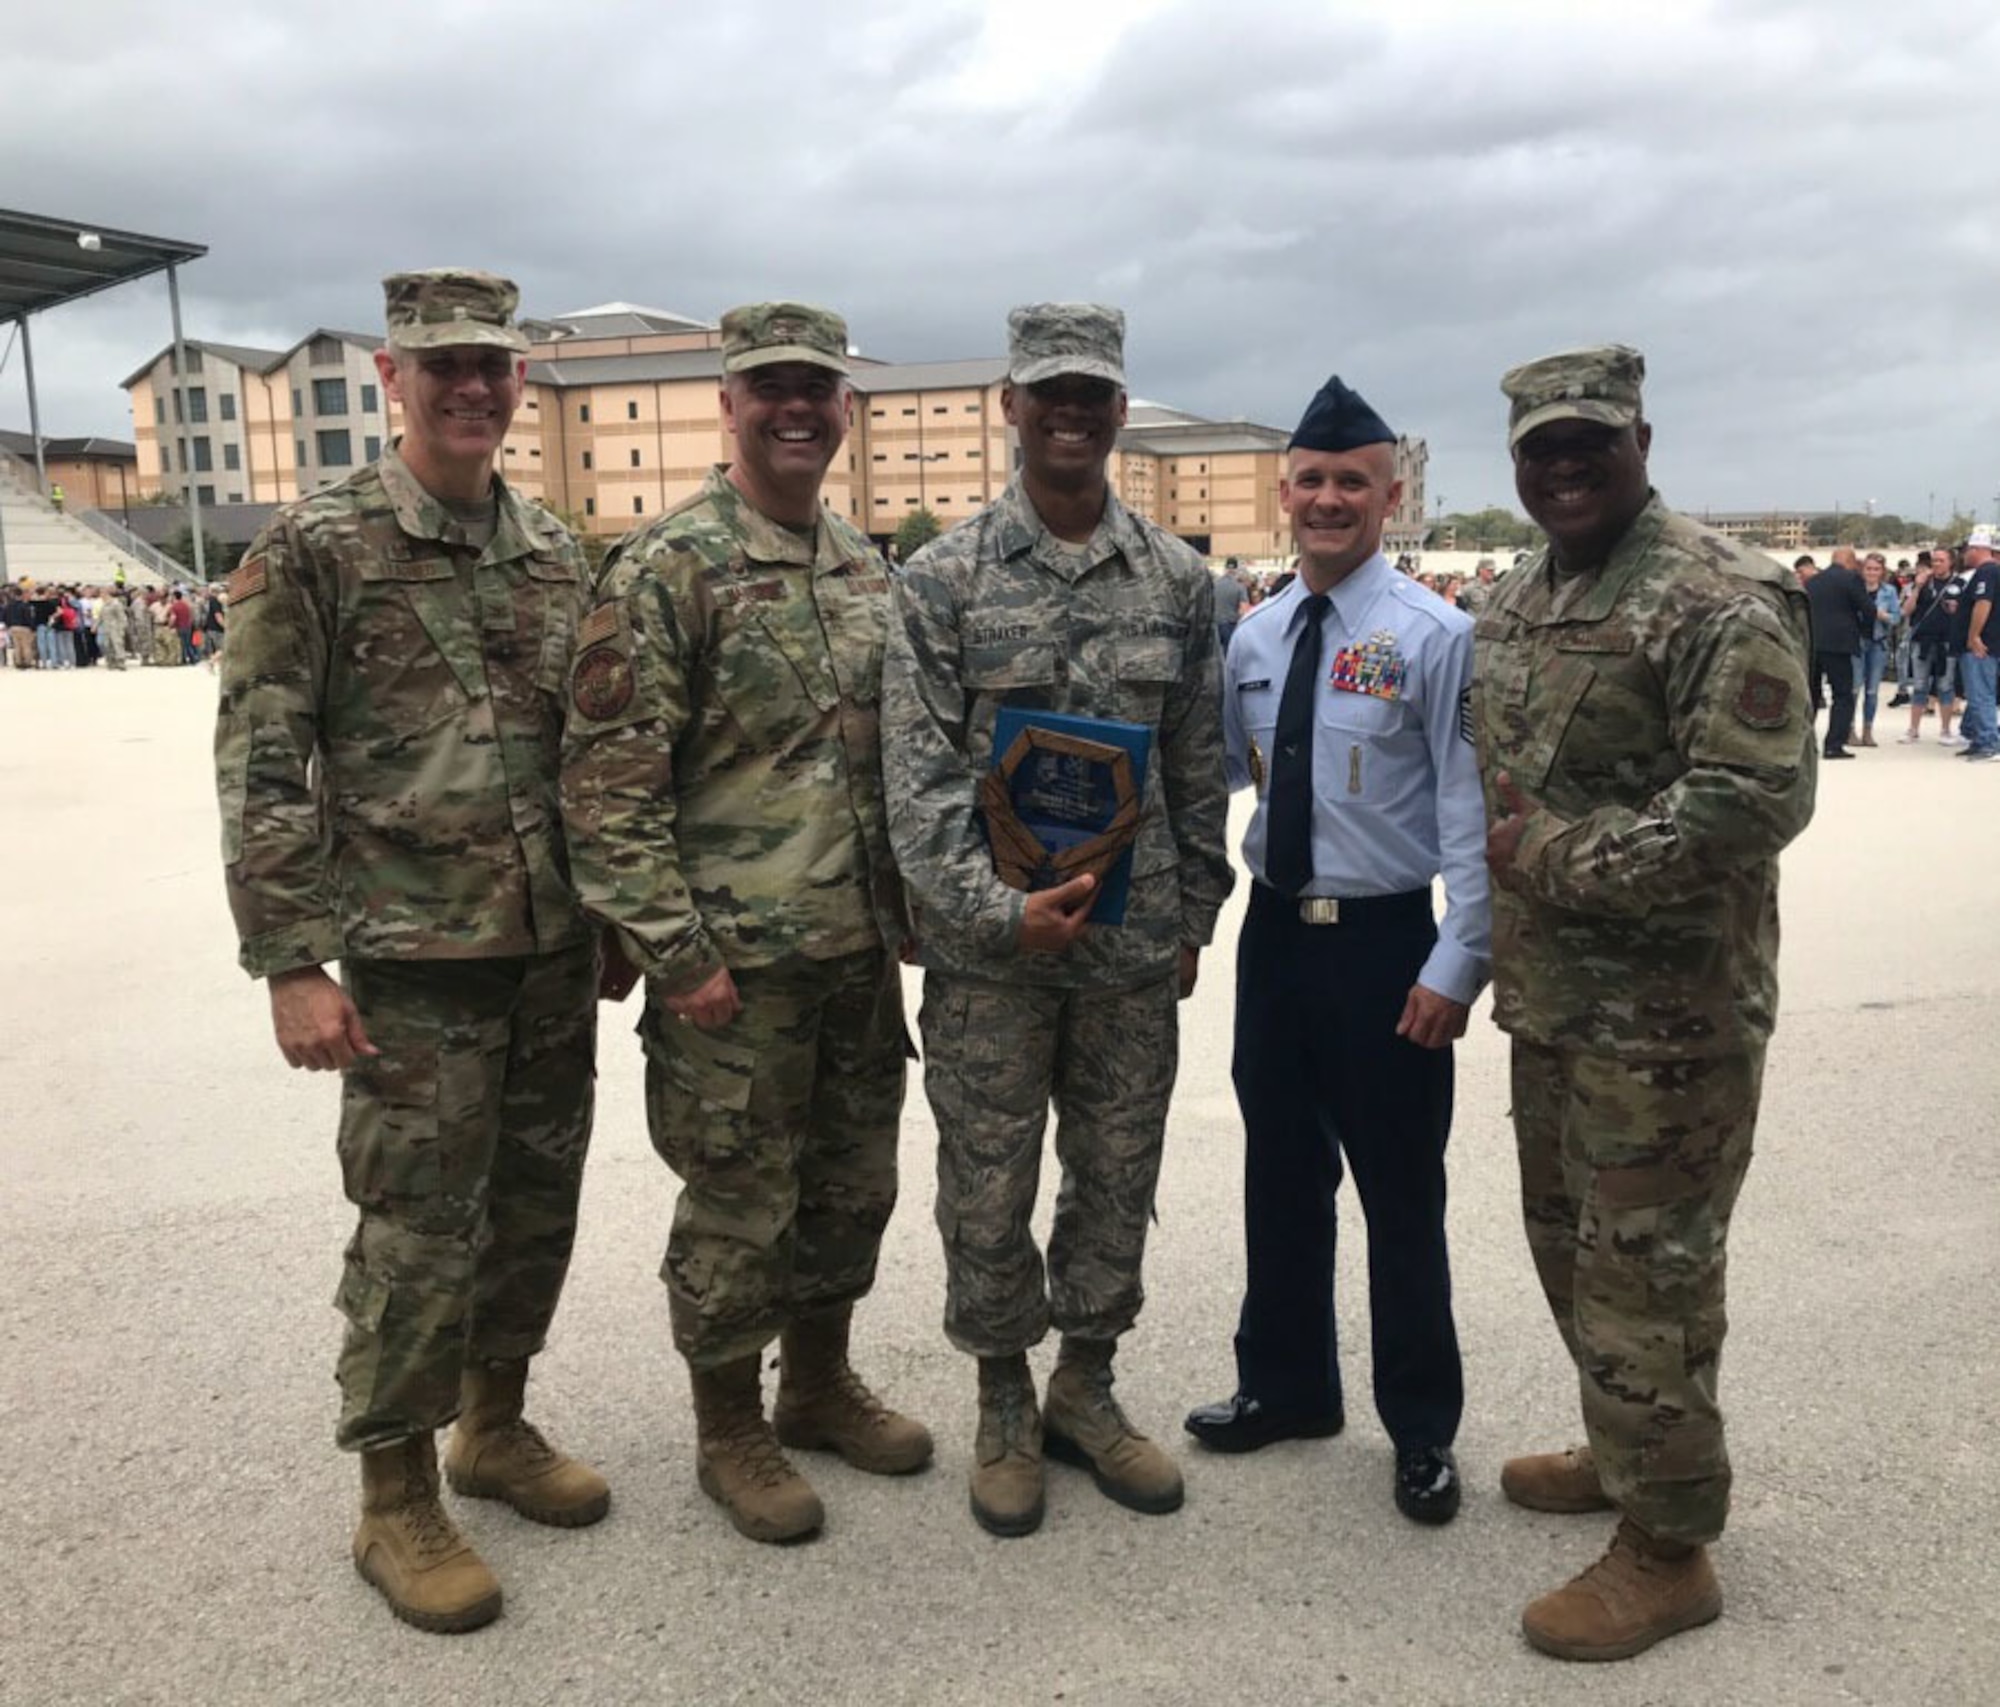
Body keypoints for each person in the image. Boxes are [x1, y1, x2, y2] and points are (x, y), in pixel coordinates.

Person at [214, 269, 608, 1636]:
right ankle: (393, 1494)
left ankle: (491, 1422)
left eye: (492, 365)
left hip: (550, 948)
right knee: (417, 1227)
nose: (471, 386)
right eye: (443, 363)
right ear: (393, 373)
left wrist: (609, 915)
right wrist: (292, 958)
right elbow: (263, 760)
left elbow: (587, 759)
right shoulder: (315, 546)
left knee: (534, 1204)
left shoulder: (554, 550)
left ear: (515, 382)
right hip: (410, 959)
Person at [560, 302, 928, 1547]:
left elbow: (894, 769)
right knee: (735, 1202)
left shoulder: (863, 571)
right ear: (728, 401)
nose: (795, 409)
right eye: (769, 386)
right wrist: (675, 953)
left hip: (853, 956)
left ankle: (817, 1384)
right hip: (734, 971)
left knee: (849, 1187)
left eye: (816, 389)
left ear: (841, 410)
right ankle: (729, 1426)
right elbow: (609, 786)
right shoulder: (670, 568)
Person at [1474, 345, 1816, 1661]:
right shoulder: (1520, 593)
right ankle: (1629, 1447)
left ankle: (1668, 1545)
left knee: (1649, 1280)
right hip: (1557, 1005)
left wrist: (1555, 855)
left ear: (1643, 441)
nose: (1564, 466)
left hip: (1671, 1024)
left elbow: (1749, 803)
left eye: (1589, 444)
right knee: (1572, 1251)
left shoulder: (1720, 596)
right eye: (1541, 448)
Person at [882, 303, 1232, 1538]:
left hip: (1131, 954)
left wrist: (1197, 910)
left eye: (1091, 394)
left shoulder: (1182, 582)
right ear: (1009, 407)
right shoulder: (939, 578)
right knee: (986, 1179)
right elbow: (916, 780)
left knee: (1114, 1172)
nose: (1070, 414)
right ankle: (999, 1399)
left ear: (1118, 409)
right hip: (992, 955)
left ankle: (1084, 1387)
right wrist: (989, 909)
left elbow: (1197, 762)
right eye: (1048, 394)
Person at [1182, 377, 1490, 1529]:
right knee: (1279, 1173)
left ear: (1388, 495)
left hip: (1382, 944)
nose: (1325, 499)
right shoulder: (1255, 635)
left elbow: (1465, 812)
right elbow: (1205, 771)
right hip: (1276, 939)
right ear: (1283, 491)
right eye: (1308, 480)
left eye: (1349, 481)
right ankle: (1287, 1386)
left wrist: (1456, 963)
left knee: (1401, 1193)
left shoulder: (1433, 635)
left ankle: (1419, 1429)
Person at [1803, 545, 1871, 757]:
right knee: (1842, 695)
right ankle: (1833, 745)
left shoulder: (1813, 581)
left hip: (1812, 643)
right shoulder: (1851, 579)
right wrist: (1864, 632)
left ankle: (1804, 743)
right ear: (1850, 562)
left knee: (1811, 694)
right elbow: (1867, 608)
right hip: (1839, 645)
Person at [1952, 526, 1999, 762]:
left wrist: (1973, 636)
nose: (1964, 555)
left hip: (1980, 646)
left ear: (1978, 549)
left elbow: (1983, 604)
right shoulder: (1990, 572)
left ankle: (1989, 743)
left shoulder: (1986, 573)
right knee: (1978, 693)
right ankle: (1977, 736)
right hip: (1988, 642)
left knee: (1981, 694)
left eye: (1968, 549)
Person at [1852, 553, 1900, 746]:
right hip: (1857, 641)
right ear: (1862, 570)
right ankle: (1849, 729)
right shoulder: (1855, 589)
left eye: (1876, 569)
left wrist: (1882, 615)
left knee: (1872, 691)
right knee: (1854, 688)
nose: (1872, 572)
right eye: (1868, 569)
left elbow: (1897, 617)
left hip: (1878, 642)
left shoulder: (1889, 591)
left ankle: (1867, 730)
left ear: (1882, 572)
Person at [1214, 557, 1249, 651]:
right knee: (1228, 653)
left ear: (1225, 568)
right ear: (1236, 570)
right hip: (1230, 625)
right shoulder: (1240, 587)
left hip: (1214, 624)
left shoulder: (1214, 584)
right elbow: (1243, 610)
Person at [96, 586, 131, 670]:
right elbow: (101, 616)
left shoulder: (116, 603)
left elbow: (122, 616)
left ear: (106, 594)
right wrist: (96, 625)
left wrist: (123, 628)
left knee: (118, 645)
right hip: (107, 628)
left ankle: (121, 662)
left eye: (102, 593)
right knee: (108, 645)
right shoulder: (104, 604)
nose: (101, 595)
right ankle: (111, 662)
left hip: (116, 628)